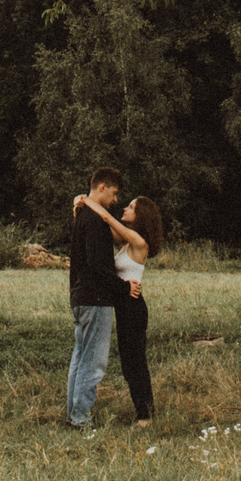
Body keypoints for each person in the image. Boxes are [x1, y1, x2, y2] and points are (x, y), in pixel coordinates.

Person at [75, 191, 162, 426]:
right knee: (128, 363)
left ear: (140, 216)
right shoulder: (126, 241)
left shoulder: (137, 242)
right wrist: (81, 204)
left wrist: (86, 200)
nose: (124, 208)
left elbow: (105, 217)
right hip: (124, 306)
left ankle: (145, 417)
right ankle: (143, 411)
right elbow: (100, 228)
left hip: (133, 308)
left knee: (135, 362)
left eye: (131, 207)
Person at [63, 166, 126, 428]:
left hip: (80, 297)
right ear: (102, 187)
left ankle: (73, 415)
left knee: (80, 360)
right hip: (96, 299)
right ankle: (80, 419)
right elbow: (98, 265)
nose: (115, 200)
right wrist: (123, 288)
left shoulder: (82, 216)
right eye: (114, 193)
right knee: (93, 364)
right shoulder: (95, 221)